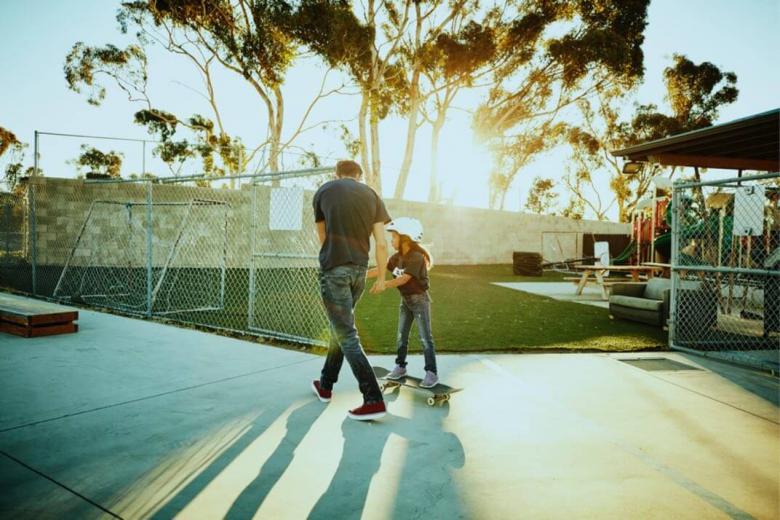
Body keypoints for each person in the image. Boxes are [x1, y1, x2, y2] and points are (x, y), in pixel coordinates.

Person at [310, 159, 391, 421]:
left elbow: (322, 237)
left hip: (335, 270)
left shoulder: (324, 191)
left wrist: (331, 259)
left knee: (346, 333)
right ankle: (326, 384)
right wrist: (381, 276)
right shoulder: (372, 195)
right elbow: (381, 243)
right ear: (360, 175)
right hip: (358, 272)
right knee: (341, 329)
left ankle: (373, 398)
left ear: (337, 174)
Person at [368, 217, 439, 388]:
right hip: (406, 301)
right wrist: (358, 275)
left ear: (405, 237)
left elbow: (404, 279)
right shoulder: (397, 257)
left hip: (419, 300)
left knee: (425, 338)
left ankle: (431, 373)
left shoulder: (416, 258)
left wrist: (383, 284)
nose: (391, 240)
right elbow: (380, 268)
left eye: (394, 237)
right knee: (401, 336)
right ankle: (400, 367)